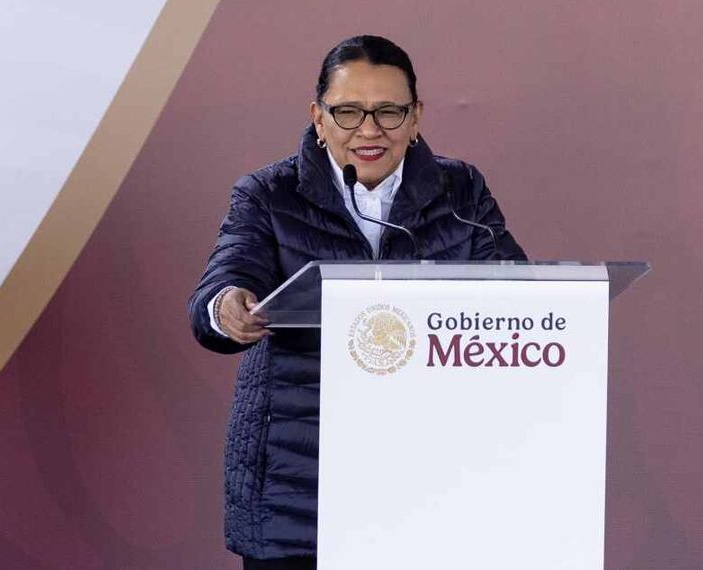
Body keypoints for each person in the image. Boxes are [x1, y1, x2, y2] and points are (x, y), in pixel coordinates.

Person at [188, 35, 526, 569]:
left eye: (389, 112)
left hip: (430, 473)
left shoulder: (461, 191)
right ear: (318, 118)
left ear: (415, 118)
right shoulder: (268, 193)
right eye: (347, 112)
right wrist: (226, 306)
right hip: (300, 482)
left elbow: (517, 297)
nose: (369, 131)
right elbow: (224, 282)